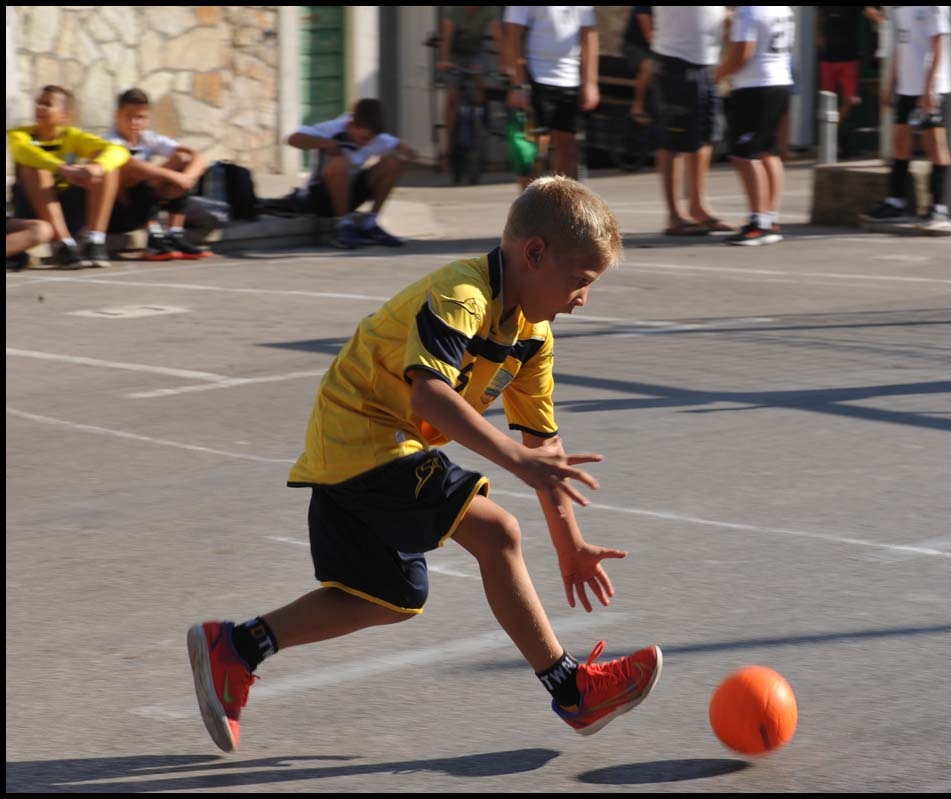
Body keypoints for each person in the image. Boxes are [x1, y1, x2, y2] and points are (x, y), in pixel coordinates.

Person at [186, 175, 663, 754]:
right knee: (498, 531)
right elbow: (430, 396)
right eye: (579, 281)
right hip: (363, 432)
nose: (582, 298)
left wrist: (570, 544)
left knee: (391, 594)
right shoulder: (463, 294)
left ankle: (237, 647)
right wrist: (513, 460)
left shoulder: (533, 337)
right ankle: (572, 690)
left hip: (366, 446)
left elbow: (545, 451)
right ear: (535, 254)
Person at [7, 85, 130, 269]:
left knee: (106, 166)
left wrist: (96, 167)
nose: (40, 108)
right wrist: (61, 168)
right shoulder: (20, 134)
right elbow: (23, 152)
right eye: (39, 103)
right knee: (35, 167)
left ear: (64, 116)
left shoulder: (71, 136)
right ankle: (63, 245)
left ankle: (95, 241)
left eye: (47, 104)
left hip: (68, 209)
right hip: (32, 208)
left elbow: (119, 151)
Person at [861, 6, 951, 230]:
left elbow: (939, 45)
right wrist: (890, 84)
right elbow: (902, 47)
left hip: (929, 87)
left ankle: (939, 209)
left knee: (935, 144)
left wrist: (929, 88)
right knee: (900, 143)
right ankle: (896, 203)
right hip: (907, 86)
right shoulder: (901, 9)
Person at [285, 98, 416, 249]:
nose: (366, 143)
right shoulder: (332, 129)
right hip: (319, 197)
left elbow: (402, 147)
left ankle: (370, 222)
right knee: (340, 163)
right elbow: (293, 139)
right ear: (350, 125)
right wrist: (326, 143)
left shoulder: (374, 138)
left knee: (392, 163)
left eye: (371, 140)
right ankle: (344, 225)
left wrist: (409, 155)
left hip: (350, 194)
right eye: (363, 138)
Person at [716, 6, 796, 246]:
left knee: (745, 155)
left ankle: (759, 222)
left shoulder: (748, 10)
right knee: (767, 152)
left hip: (755, 87)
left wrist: (717, 74)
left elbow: (743, 53)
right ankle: (769, 218)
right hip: (780, 82)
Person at [651, 7, 734, 236]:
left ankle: (698, 207)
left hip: (706, 61)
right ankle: (675, 214)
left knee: (704, 138)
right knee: (673, 140)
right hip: (677, 59)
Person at [106, 88, 212, 261]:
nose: (134, 122)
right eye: (128, 116)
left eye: (140, 117)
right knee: (138, 172)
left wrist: (187, 178)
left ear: (147, 119)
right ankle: (154, 237)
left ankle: (174, 234)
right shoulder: (111, 140)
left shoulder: (148, 138)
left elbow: (198, 157)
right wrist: (172, 176)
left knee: (181, 159)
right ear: (117, 115)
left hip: (144, 203)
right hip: (118, 212)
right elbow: (130, 165)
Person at [503, 6, 600, 187]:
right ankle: (529, 209)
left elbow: (589, 35)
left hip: (570, 79)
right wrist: (518, 84)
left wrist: (590, 83)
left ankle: (561, 208)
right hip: (537, 78)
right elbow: (513, 34)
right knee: (534, 154)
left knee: (568, 151)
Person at [437, 7, 503, 175]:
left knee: (478, 75)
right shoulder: (454, 10)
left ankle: (479, 123)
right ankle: (447, 150)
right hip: (455, 53)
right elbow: (447, 36)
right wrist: (444, 60)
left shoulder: (488, 10)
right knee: (452, 96)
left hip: (475, 52)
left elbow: (498, 35)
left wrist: (504, 62)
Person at [817, 6, 884, 159]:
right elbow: (820, 16)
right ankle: (837, 142)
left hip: (849, 58)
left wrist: (887, 22)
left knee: (851, 100)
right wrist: (819, 36)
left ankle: (831, 133)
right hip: (828, 58)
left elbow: (873, 15)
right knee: (828, 101)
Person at [622, 6, 655, 125]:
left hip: (657, 49)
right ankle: (637, 107)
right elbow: (649, 36)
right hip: (635, 47)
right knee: (649, 65)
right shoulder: (643, 8)